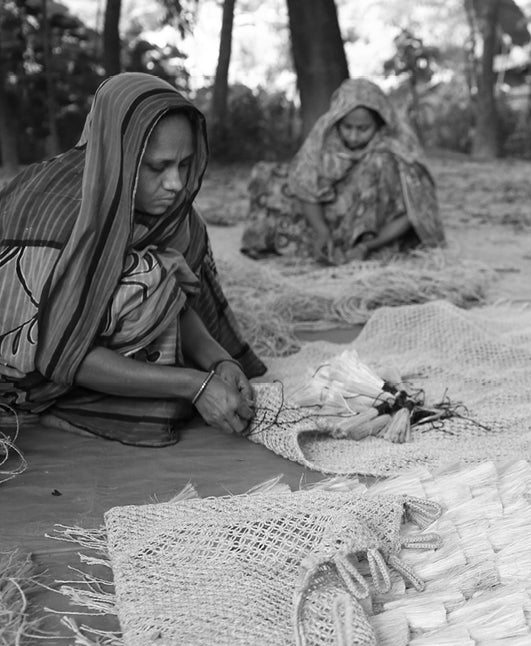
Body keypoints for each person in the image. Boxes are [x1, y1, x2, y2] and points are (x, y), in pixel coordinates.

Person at [0, 73, 264, 447]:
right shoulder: (55, 213)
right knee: (149, 275)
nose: (175, 183)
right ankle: (71, 401)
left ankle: (124, 385)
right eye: (158, 167)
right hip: (19, 379)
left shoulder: (175, 217)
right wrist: (194, 384)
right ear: (117, 154)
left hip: (78, 355)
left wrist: (221, 362)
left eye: (185, 164)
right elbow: (55, 350)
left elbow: (178, 301)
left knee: (167, 262)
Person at [239, 78, 445, 265]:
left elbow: (415, 211)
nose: (353, 137)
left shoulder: (396, 151)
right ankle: (313, 243)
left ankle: (353, 247)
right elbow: (305, 183)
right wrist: (321, 230)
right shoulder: (326, 138)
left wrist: (367, 246)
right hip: (330, 213)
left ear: (380, 124)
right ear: (337, 120)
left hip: (375, 228)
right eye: (347, 127)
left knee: (378, 162)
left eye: (363, 129)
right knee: (266, 174)